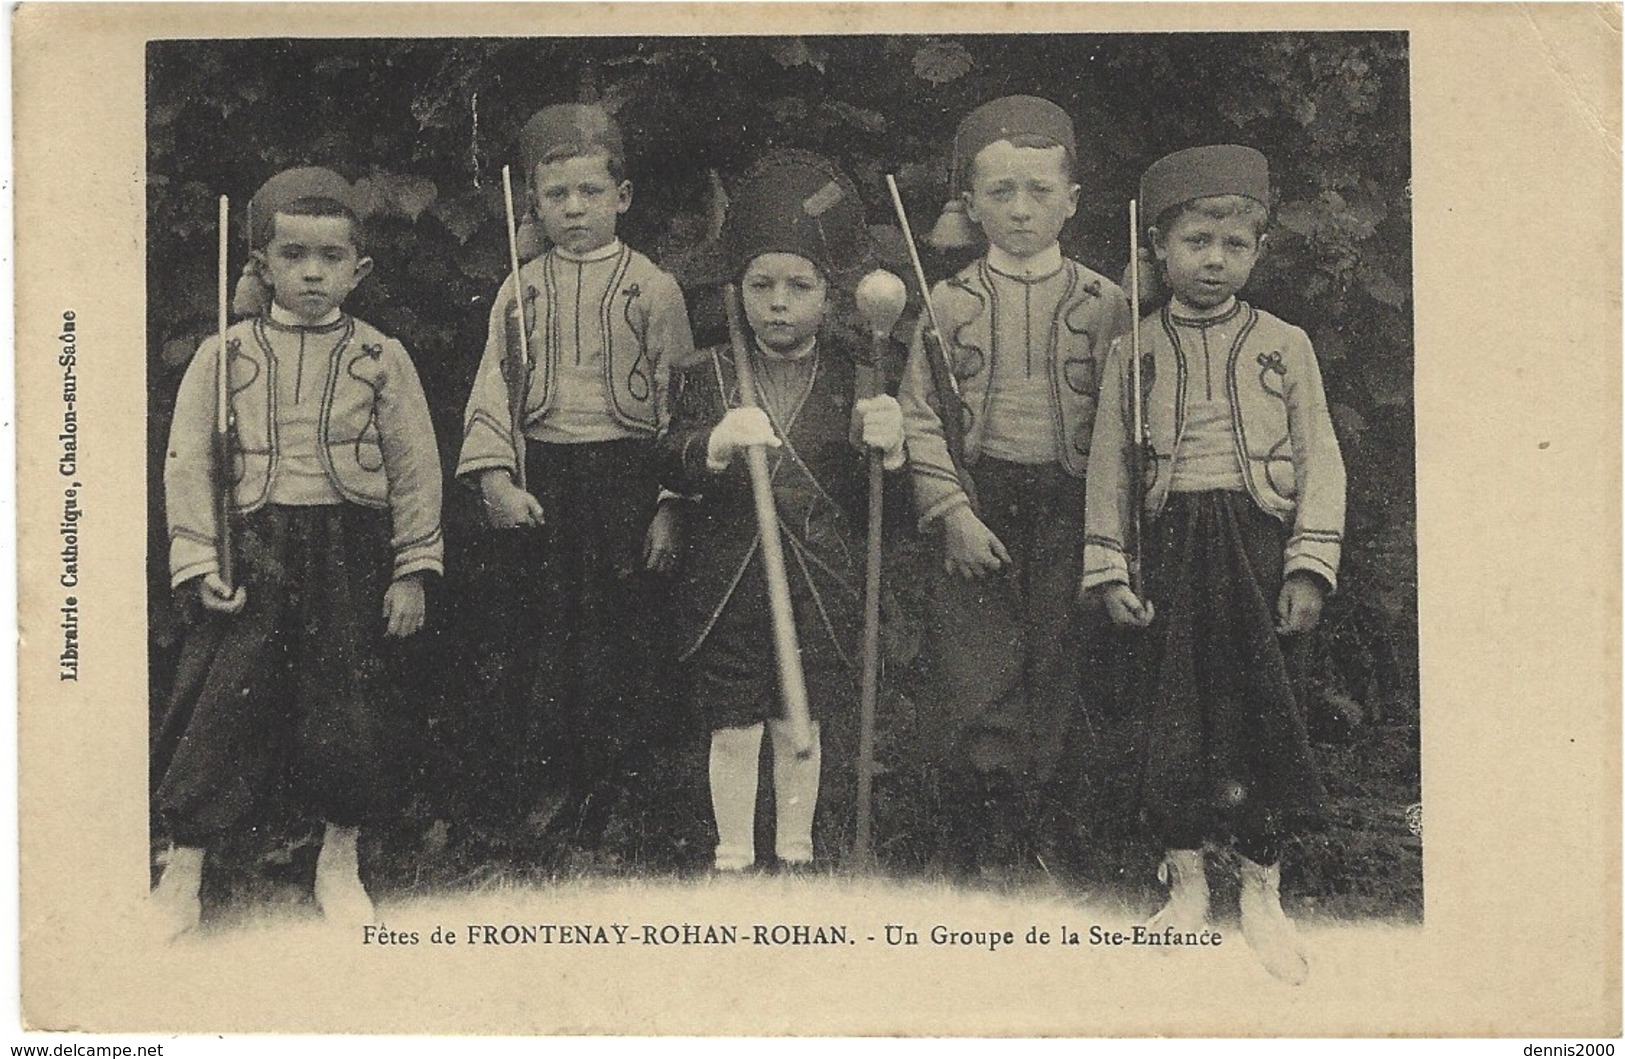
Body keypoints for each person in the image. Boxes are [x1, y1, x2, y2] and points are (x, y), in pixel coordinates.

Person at [150, 167, 443, 935]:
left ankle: (338, 858)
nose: (312, 272)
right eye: (292, 255)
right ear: (261, 265)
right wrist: (199, 555)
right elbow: (189, 460)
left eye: (331, 257)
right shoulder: (224, 352)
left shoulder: (381, 356)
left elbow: (415, 465)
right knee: (219, 701)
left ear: (359, 269)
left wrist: (412, 566)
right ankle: (183, 868)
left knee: (346, 702)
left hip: (349, 546)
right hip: (253, 545)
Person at [1081, 144, 1346, 983]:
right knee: (1174, 712)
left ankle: (1262, 890)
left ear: (1258, 252)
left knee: (1263, 709)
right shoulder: (1134, 349)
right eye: (1196, 240)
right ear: (1158, 248)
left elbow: (1322, 457)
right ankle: (1187, 880)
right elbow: (1108, 467)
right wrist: (1112, 566)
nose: (1213, 260)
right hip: (1169, 544)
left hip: (1256, 541)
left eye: (1234, 245)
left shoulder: (1284, 344)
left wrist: (1306, 563)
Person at [899, 96, 1131, 876]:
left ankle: (1050, 829)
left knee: (1058, 656)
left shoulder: (1107, 305)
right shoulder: (948, 302)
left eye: (1039, 191)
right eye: (1000, 193)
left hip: (1071, 500)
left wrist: (1107, 525)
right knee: (975, 662)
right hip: (980, 499)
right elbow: (918, 414)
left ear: (1072, 200)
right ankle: (982, 829)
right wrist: (951, 512)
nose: (1021, 210)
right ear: (969, 205)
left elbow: (1124, 423)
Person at [658, 151, 907, 873]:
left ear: (830, 299)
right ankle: (733, 852)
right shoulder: (707, 374)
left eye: (797, 286)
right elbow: (662, 456)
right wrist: (710, 442)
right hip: (727, 585)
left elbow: (878, 510)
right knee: (733, 724)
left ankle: (795, 851)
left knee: (801, 720)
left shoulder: (856, 380)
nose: (776, 302)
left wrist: (887, 454)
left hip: (819, 586)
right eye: (759, 284)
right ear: (736, 290)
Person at [455, 104, 695, 848]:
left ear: (622, 197)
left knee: (623, 639)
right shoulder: (519, 288)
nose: (574, 209)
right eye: (556, 195)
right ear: (534, 203)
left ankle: (621, 792)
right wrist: (494, 478)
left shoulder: (653, 288)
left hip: (626, 479)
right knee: (543, 637)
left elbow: (678, 397)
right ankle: (549, 784)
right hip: (544, 478)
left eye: (590, 192)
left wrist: (671, 505)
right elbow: (492, 384)